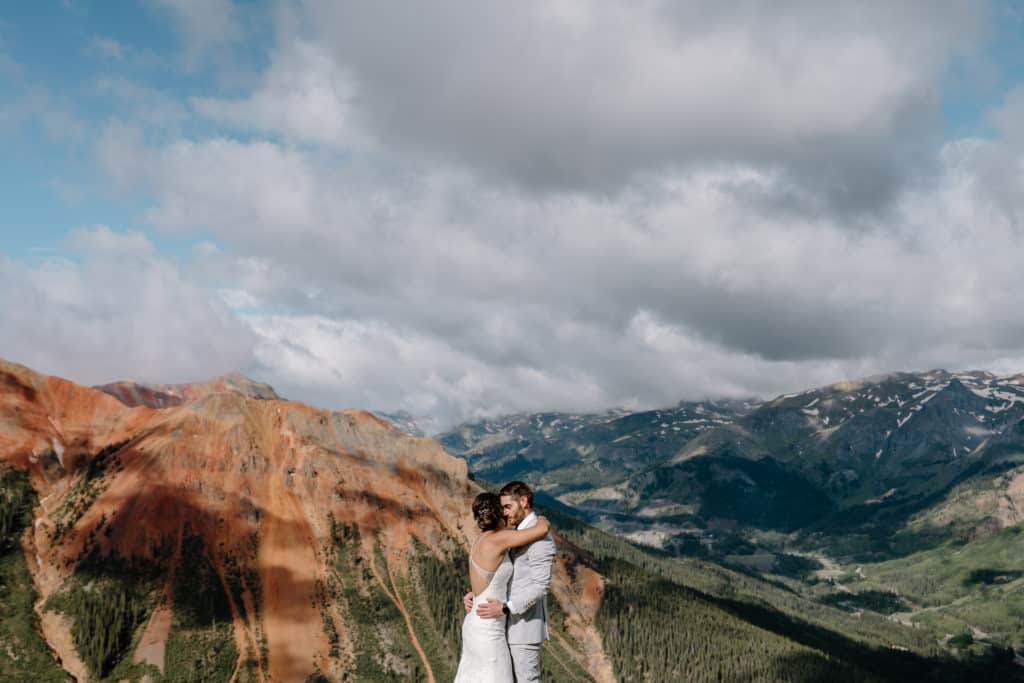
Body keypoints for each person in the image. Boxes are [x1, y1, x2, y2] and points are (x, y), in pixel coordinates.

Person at [454, 491, 552, 683]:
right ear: (498, 513)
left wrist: (472, 595)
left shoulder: (480, 540)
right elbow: (541, 529)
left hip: (475, 621)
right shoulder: (500, 539)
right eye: (503, 509)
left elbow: (485, 579)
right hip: (489, 629)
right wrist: (539, 516)